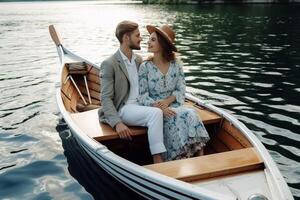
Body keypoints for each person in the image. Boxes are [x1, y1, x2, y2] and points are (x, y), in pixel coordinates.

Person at [138, 25, 210, 161]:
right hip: (155, 110)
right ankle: (178, 158)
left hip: (174, 105)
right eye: (149, 39)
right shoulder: (145, 67)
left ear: (163, 44)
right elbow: (142, 96)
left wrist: (168, 101)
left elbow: (181, 90)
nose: (148, 42)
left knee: (191, 114)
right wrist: (160, 107)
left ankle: (200, 158)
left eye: (153, 40)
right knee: (175, 120)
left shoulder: (176, 64)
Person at [98, 21, 166, 163]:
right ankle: (158, 159)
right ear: (126, 38)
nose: (141, 38)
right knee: (156, 113)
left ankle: (177, 153)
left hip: (142, 104)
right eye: (137, 35)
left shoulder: (139, 60)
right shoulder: (109, 64)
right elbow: (105, 98)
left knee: (169, 111)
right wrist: (117, 123)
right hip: (124, 108)